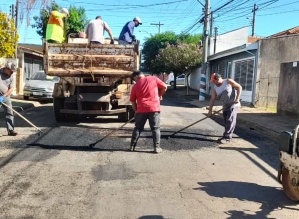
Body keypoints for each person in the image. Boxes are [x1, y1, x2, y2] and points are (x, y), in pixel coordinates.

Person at [129, 70, 167, 153]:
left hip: (141, 109)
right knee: (155, 128)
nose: (134, 80)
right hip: (154, 109)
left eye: (134, 79)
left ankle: (132, 146)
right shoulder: (153, 78)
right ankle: (156, 148)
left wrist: (136, 111)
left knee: (138, 128)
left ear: (136, 76)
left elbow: (132, 101)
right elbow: (164, 86)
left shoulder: (135, 86)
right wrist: (159, 95)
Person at [207, 73, 242, 144]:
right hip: (225, 106)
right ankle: (226, 135)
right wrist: (210, 111)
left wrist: (237, 98)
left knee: (230, 120)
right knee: (226, 121)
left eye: (214, 81)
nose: (213, 82)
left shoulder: (228, 81)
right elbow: (212, 99)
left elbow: (239, 87)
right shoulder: (215, 88)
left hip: (233, 104)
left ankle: (227, 138)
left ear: (218, 79)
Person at [0, 63, 18, 137]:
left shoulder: (11, 76)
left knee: (9, 112)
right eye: (11, 71)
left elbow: (11, 88)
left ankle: (10, 130)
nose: (12, 73)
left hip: (6, 96)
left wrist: (3, 97)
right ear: (6, 68)